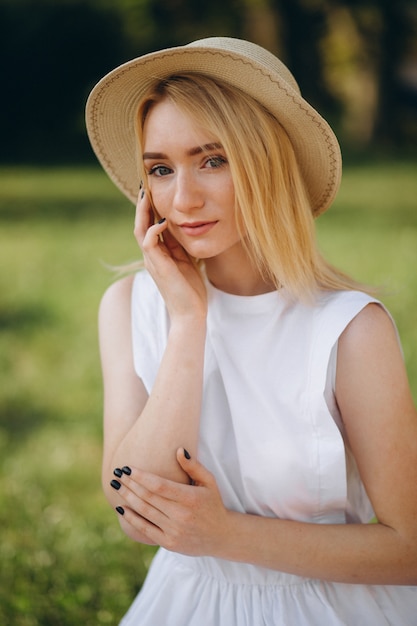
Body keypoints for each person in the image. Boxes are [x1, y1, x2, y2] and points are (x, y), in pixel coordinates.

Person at [86, 37, 417, 625]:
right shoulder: (130, 307)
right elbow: (130, 505)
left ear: (267, 164)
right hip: (184, 603)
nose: (183, 199)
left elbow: (410, 547)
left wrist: (225, 535)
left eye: (213, 160)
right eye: (161, 169)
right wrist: (188, 321)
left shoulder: (348, 330)